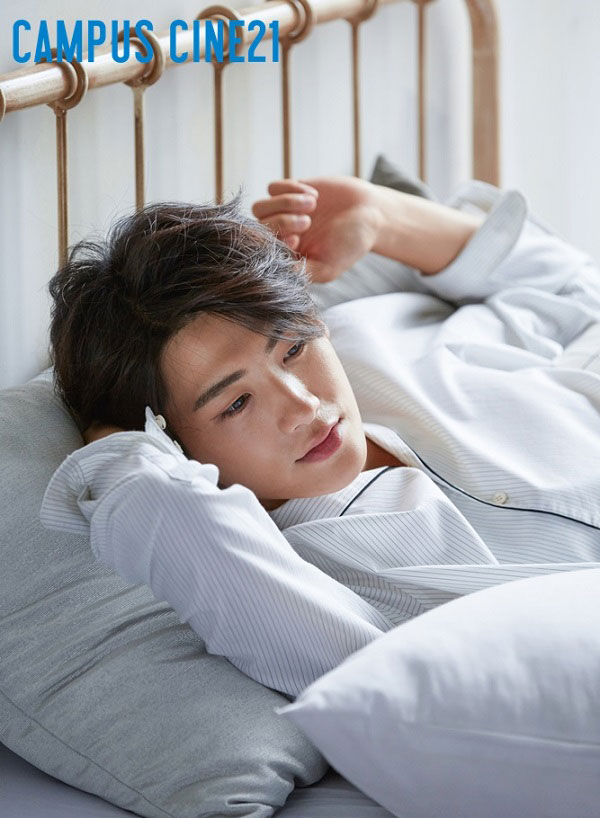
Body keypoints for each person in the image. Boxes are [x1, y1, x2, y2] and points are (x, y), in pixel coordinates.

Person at [41, 173, 600, 699]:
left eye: (293, 347)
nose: (304, 406)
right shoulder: (298, 572)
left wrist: (384, 217)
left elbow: (572, 291)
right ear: (170, 443)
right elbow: (376, 692)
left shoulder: (381, 341)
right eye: (236, 403)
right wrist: (122, 449)